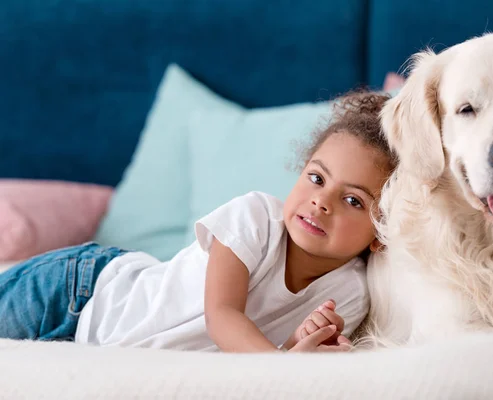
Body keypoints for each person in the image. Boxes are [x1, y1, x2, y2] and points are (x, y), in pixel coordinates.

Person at [0, 91, 397, 352]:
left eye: (352, 200)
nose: (321, 201)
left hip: (94, 345)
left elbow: (264, 354)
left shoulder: (350, 293)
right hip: (82, 294)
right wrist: (285, 367)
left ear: (381, 233)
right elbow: (223, 317)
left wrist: (299, 345)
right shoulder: (255, 217)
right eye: (316, 178)